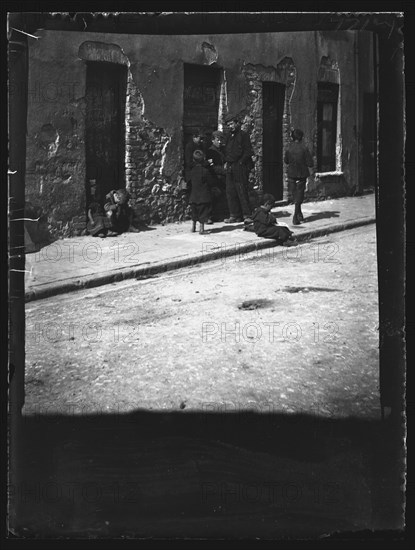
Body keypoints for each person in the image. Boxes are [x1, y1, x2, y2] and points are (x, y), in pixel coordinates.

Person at [223, 113, 254, 224]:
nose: (230, 126)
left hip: (240, 166)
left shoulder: (243, 135)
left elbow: (248, 151)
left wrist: (241, 163)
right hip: (230, 166)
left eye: (232, 124)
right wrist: (226, 161)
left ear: (237, 123)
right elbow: (225, 150)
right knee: (230, 191)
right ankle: (234, 215)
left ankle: (247, 215)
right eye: (228, 125)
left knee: (241, 190)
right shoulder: (228, 136)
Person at [284, 128, 315, 225]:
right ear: (301, 138)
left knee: (295, 194)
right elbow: (310, 163)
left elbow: (286, 161)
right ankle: (295, 216)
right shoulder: (304, 149)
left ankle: (299, 213)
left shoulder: (288, 148)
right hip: (301, 174)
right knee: (300, 194)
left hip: (292, 174)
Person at [189, 149, 212, 235]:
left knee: (194, 212)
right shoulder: (205, 171)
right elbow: (210, 181)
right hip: (203, 196)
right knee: (203, 212)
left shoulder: (192, 171)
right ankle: (201, 229)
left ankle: (193, 227)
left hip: (193, 195)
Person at [206, 130, 226, 223]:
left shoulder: (221, 150)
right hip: (214, 178)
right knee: (213, 197)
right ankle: (209, 216)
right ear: (212, 140)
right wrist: (224, 170)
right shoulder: (210, 151)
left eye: (221, 140)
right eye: (218, 140)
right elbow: (212, 167)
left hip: (221, 178)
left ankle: (217, 215)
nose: (220, 142)